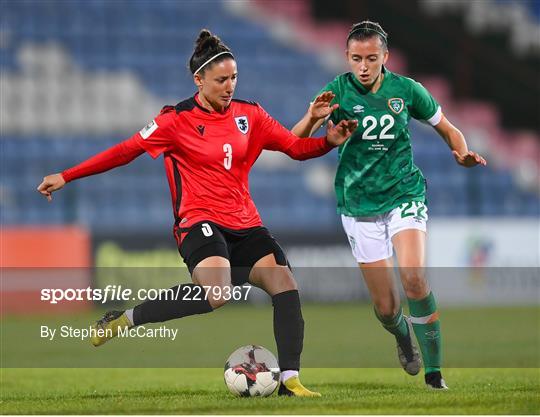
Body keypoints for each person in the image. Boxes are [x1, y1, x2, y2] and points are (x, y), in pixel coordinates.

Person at [37, 29, 358, 397]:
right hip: (198, 221)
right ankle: (124, 319)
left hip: (245, 222)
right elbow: (124, 151)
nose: (229, 86)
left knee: (284, 283)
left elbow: (294, 147)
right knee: (217, 293)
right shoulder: (175, 120)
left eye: (234, 77)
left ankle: (290, 380)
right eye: (221, 79)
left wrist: (327, 141)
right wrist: (66, 175)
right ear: (199, 80)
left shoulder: (249, 114)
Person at [292, 21, 487, 390]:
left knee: (413, 277)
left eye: (370, 58)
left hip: (404, 193)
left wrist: (460, 153)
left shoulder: (407, 90)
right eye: (355, 58)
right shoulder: (335, 91)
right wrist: (312, 119)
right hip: (358, 204)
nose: (363, 66)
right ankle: (402, 339)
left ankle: (434, 375)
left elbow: (448, 128)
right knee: (386, 307)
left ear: (385, 57)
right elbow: (293, 143)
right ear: (346, 58)